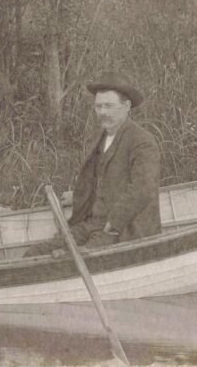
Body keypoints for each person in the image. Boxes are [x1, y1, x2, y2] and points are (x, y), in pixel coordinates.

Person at [26, 71, 161, 257]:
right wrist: (78, 196)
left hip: (122, 229)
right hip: (92, 224)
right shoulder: (101, 138)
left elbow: (143, 189)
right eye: (98, 106)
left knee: (67, 257)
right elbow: (104, 182)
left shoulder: (142, 141)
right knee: (36, 252)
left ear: (126, 106)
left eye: (109, 106)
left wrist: (113, 224)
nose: (102, 112)